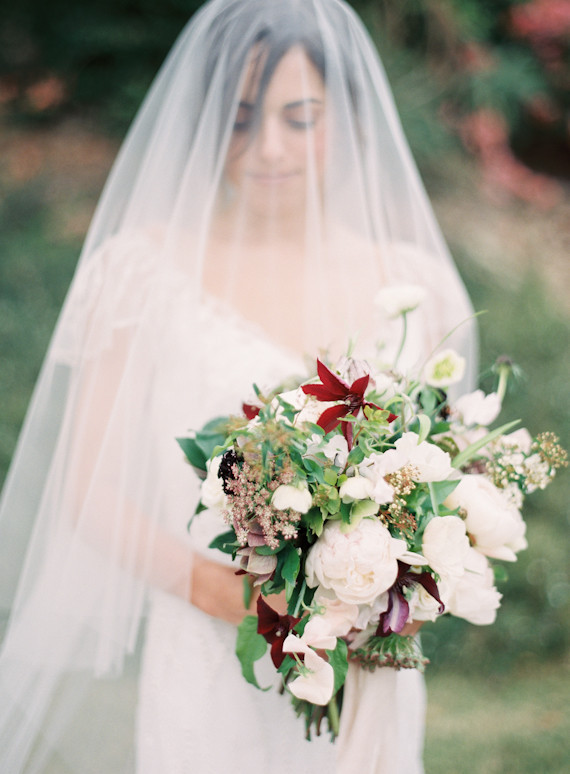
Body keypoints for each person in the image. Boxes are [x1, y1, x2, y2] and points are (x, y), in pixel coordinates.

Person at [0, 0, 477, 771]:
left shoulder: (415, 287)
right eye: (240, 117)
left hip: (366, 668)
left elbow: (442, 485)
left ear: (347, 119)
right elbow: (85, 486)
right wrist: (216, 590)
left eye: (300, 117)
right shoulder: (141, 274)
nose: (268, 148)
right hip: (207, 649)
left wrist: (398, 580)